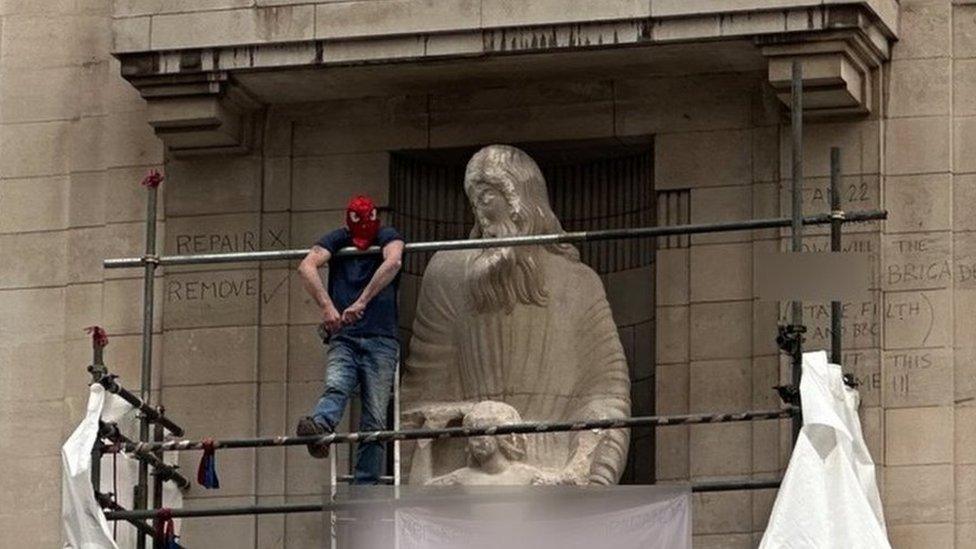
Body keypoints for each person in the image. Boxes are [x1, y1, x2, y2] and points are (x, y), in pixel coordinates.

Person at [401, 144, 631, 486]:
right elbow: (423, 386)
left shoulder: (580, 283)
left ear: (518, 198)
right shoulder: (446, 272)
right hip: (468, 474)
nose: (479, 211)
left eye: (487, 196)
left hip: (553, 475)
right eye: (473, 199)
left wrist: (594, 477)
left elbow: (607, 392)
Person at [295, 194, 404, 485]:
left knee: (375, 415)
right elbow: (306, 266)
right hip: (345, 335)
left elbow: (393, 262)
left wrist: (363, 301)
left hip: (381, 337)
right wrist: (327, 307)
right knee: (336, 385)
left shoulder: (387, 236)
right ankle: (320, 428)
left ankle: (365, 486)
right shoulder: (338, 238)